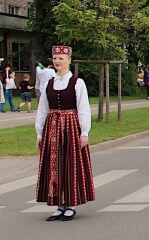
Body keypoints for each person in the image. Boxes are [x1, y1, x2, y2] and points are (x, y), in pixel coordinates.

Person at [35, 45, 93, 221]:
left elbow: (83, 107)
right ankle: (59, 205)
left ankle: (71, 204)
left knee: (70, 163)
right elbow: (42, 108)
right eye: (55, 58)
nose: (57, 61)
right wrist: (39, 132)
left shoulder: (77, 82)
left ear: (69, 60)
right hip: (52, 127)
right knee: (54, 165)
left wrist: (84, 132)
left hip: (70, 126)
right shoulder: (49, 83)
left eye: (61, 58)